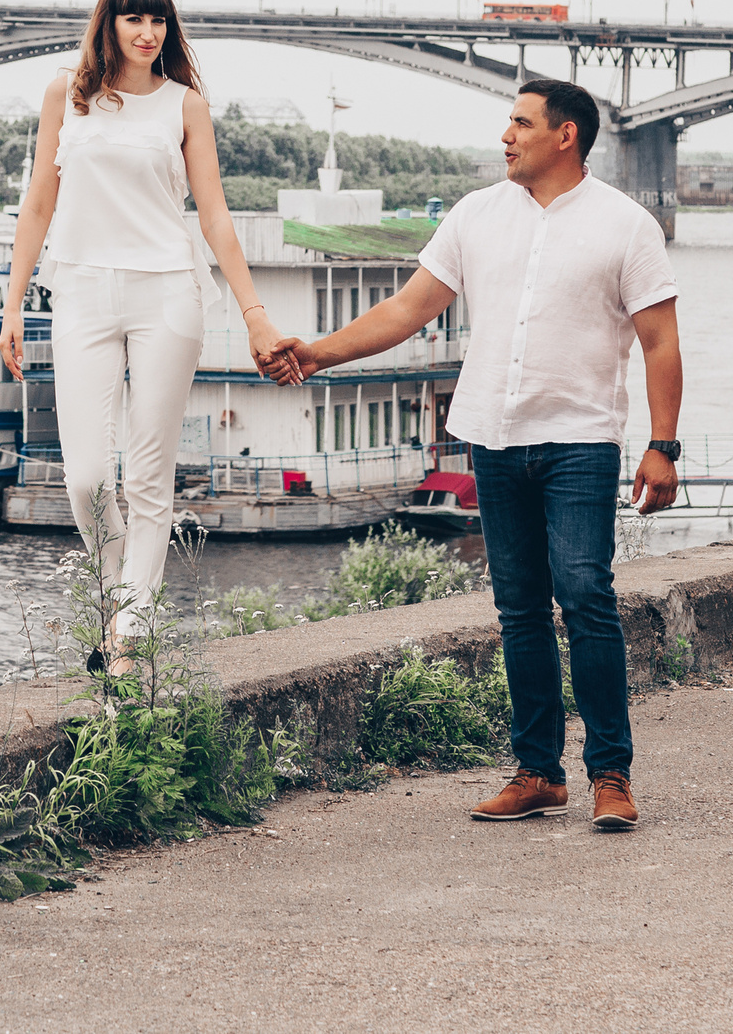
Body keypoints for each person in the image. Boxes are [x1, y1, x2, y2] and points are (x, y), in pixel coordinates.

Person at [258, 78, 682, 831]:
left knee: (585, 596)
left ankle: (610, 776)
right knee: (518, 609)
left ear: (566, 136)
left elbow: (660, 341)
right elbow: (407, 308)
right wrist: (318, 353)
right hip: (491, 433)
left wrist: (662, 444)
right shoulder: (475, 215)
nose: (506, 135)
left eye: (521, 123)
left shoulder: (626, 226)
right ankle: (537, 773)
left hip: (580, 438)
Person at [1, 0, 286, 668]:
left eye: (158, 20)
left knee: (149, 478)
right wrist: (12, 302)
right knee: (87, 479)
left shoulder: (186, 105)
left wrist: (254, 313)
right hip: (82, 289)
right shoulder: (65, 93)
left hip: (166, 290)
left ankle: (129, 635)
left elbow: (213, 215)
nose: (148, 33)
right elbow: (39, 200)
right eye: (134, 20)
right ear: (110, 24)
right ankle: (115, 601)